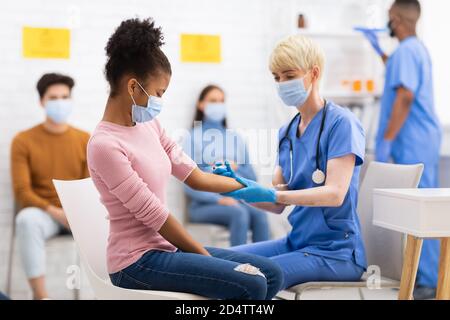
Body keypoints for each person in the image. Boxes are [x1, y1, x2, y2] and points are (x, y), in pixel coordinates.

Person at [87, 18, 283, 300]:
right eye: (158, 93)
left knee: (272, 274)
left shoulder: (149, 125)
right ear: (133, 87)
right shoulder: (104, 145)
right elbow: (155, 216)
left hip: (165, 248)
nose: (159, 101)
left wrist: (248, 188)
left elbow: (195, 176)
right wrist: (208, 259)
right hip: (136, 262)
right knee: (250, 284)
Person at [214, 35, 367, 290]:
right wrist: (238, 188)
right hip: (296, 242)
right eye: (277, 77)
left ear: (314, 73)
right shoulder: (286, 132)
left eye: (289, 75)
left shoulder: (342, 124)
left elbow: (335, 194)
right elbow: (277, 203)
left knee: (247, 277)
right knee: (215, 261)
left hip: (335, 252)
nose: (282, 83)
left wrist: (277, 195)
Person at [357, 0, 442, 299]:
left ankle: (428, 281)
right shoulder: (412, 50)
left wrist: (388, 139)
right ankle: (422, 275)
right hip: (421, 138)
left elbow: (404, 97)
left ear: (396, 19)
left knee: (423, 212)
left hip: (412, 139)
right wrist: (380, 53)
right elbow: (399, 77)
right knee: (419, 209)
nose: (387, 24)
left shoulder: (406, 51)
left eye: (389, 19)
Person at [11, 73, 90, 299]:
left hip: (78, 215)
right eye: (53, 97)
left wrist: (76, 214)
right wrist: (56, 212)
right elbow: (22, 191)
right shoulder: (23, 141)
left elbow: (88, 186)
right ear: (42, 102)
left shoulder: (85, 139)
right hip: (45, 215)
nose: (60, 102)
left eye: (65, 97)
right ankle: (41, 295)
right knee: (26, 220)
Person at [183, 85, 270, 246]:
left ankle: (264, 265)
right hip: (203, 206)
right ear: (201, 104)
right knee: (239, 214)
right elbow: (188, 184)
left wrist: (236, 167)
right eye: (213, 101)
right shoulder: (192, 138)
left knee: (260, 214)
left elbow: (252, 177)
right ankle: (238, 268)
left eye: (222, 101)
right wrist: (218, 200)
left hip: (237, 201)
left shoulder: (235, 138)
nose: (218, 105)